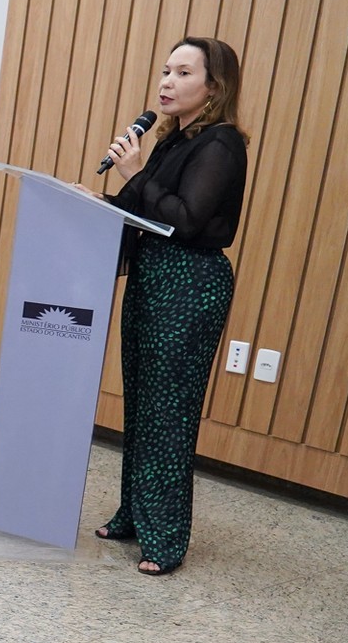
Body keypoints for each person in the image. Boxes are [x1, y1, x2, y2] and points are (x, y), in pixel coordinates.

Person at [95, 37, 249, 576]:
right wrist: (97, 202)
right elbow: (144, 211)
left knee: (169, 413)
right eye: (165, 70)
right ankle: (134, 515)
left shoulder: (222, 145)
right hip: (151, 276)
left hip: (190, 283)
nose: (167, 81)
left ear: (214, 87)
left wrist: (133, 176)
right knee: (140, 402)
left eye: (183, 73)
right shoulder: (168, 141)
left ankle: (165, 539)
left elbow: (186, 220)